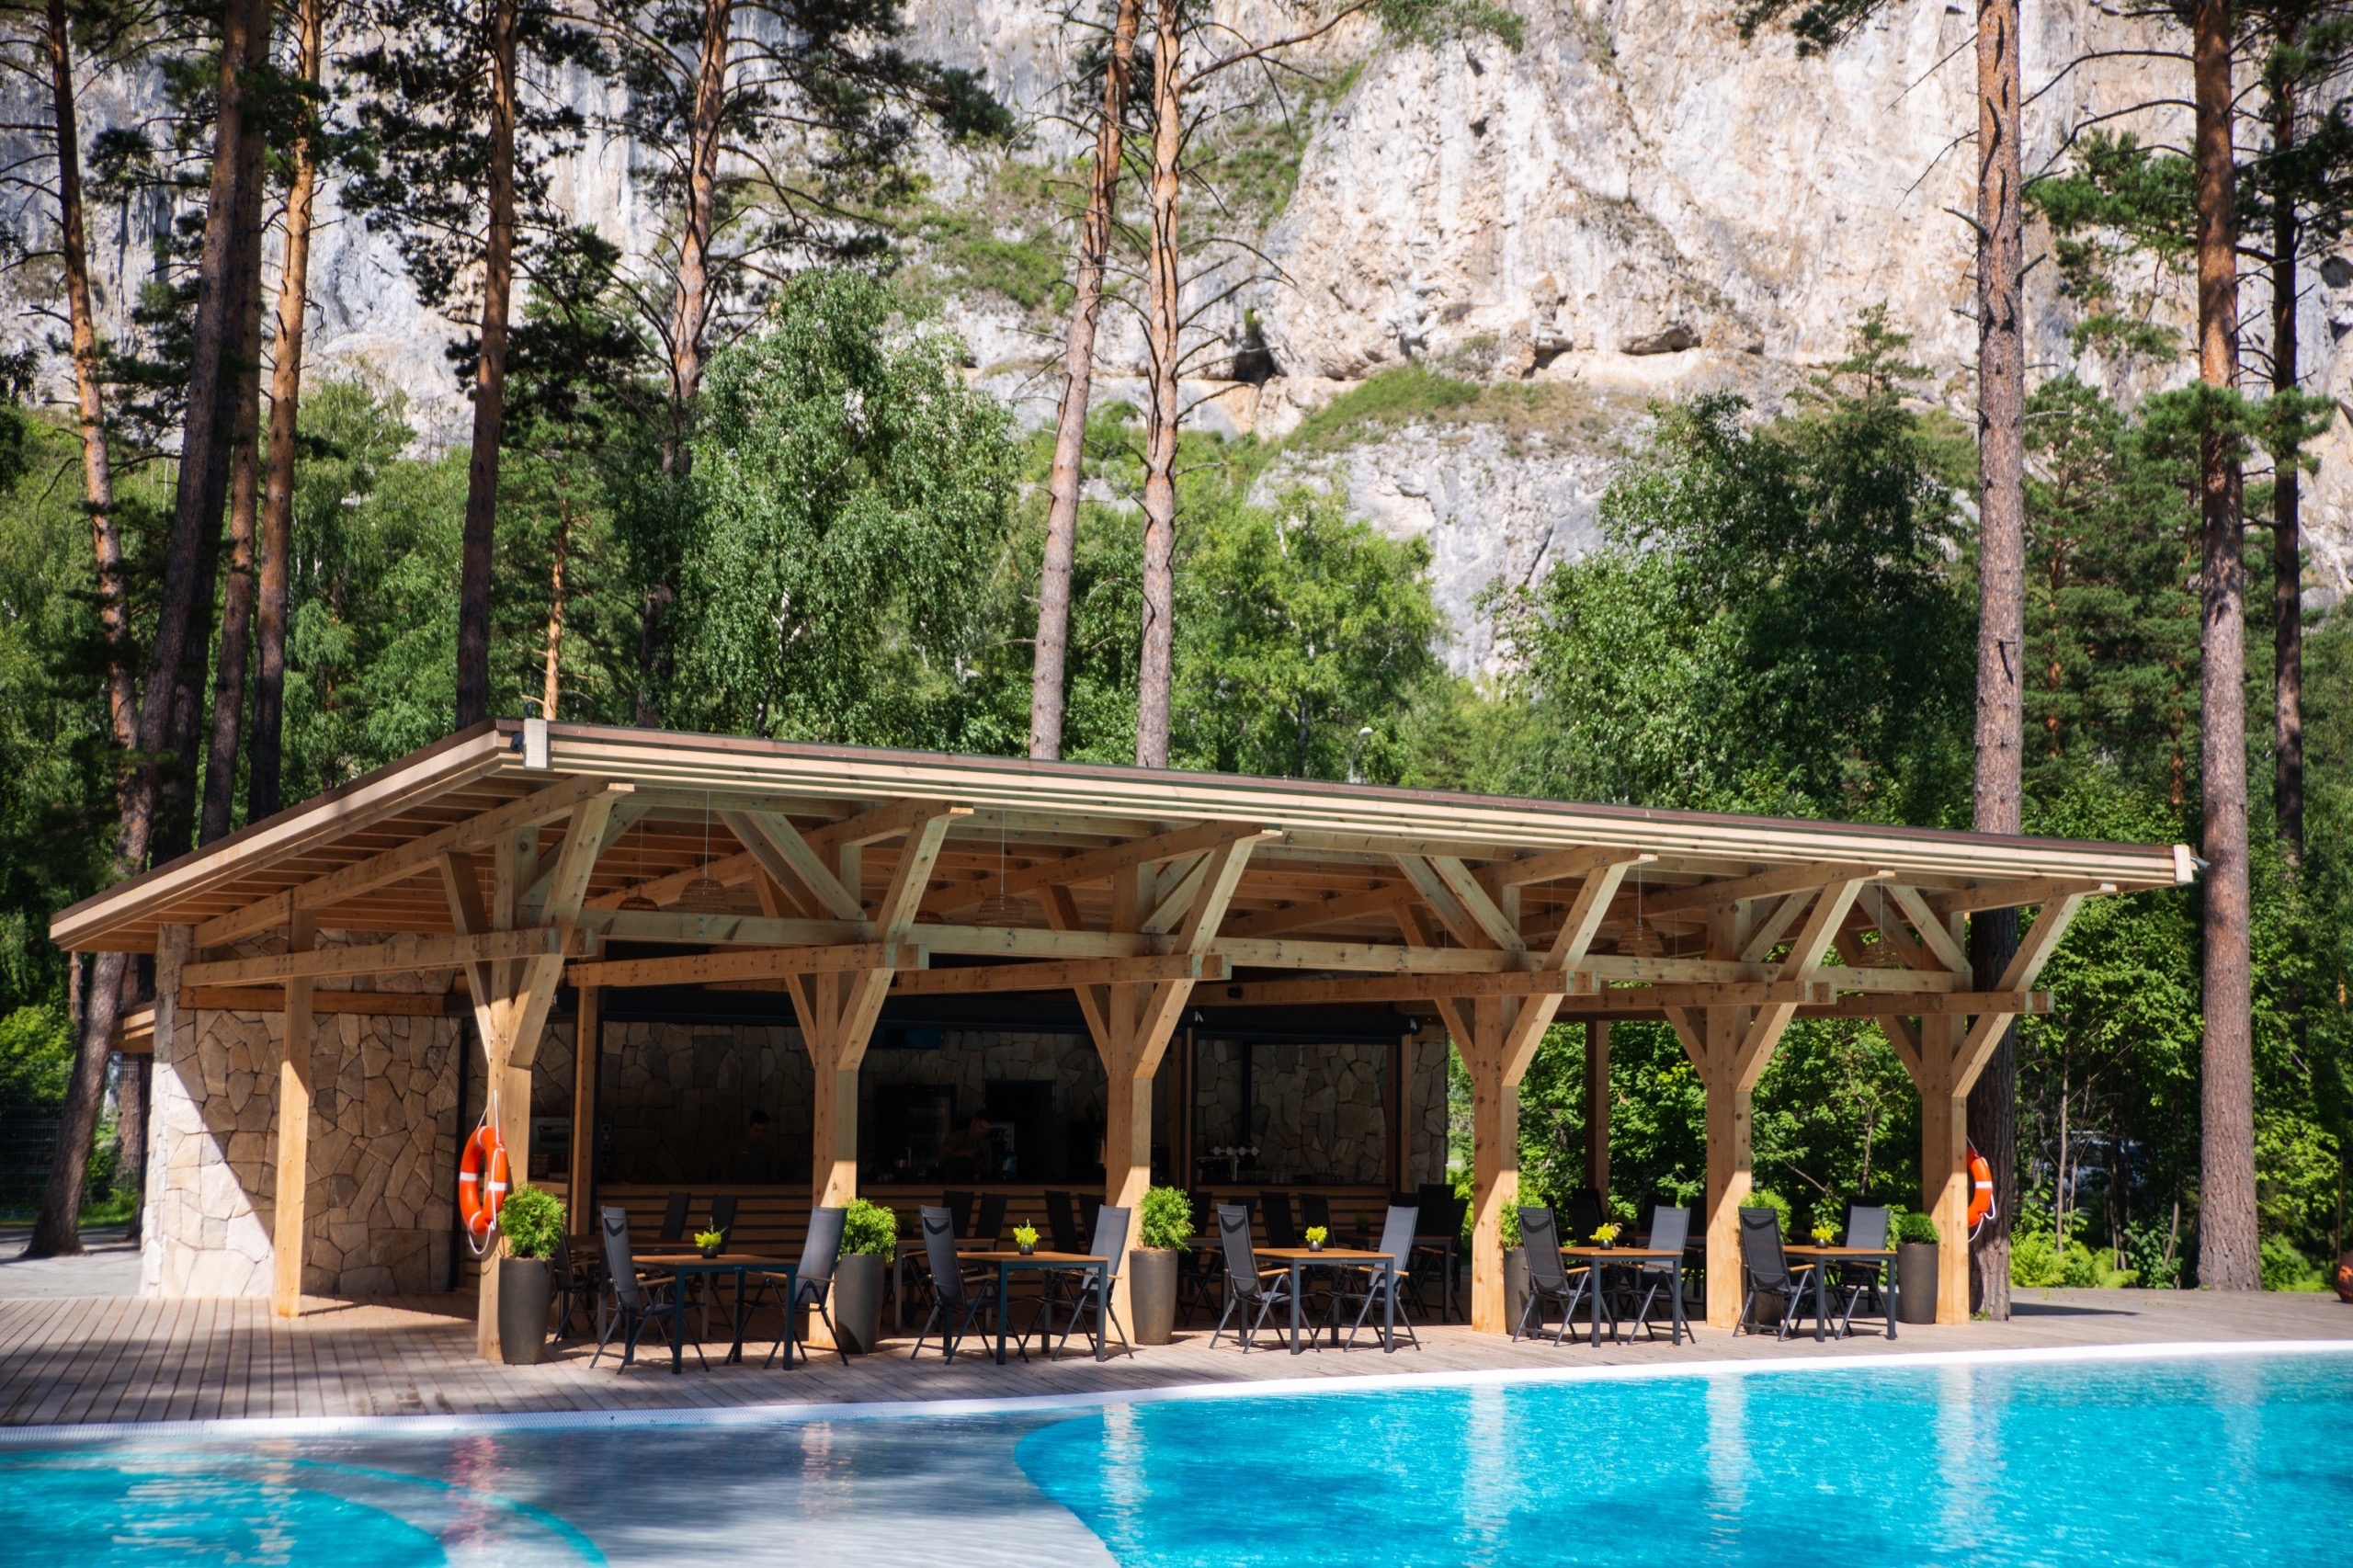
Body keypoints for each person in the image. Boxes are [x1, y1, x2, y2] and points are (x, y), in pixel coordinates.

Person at [941, 1110, 993, 1181]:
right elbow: (941, 1157)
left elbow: (989, 1167)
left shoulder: (985, 1143)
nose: (984, 1132)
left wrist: (979, 1165)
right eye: (981, 1127)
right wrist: (961, 1153)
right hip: (954, 1182)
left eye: (987, 1130)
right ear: (973, 1122)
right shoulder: (956, 1137)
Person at [729, 1108, 774, 1183]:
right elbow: (724, 1167)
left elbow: (774, 1172)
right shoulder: (737, 1144)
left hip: (762, 1187)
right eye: (756, 1130)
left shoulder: (768, 1147)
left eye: (762, 1131)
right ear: (750, 1127)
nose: (759, 1134)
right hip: (739, 1187)